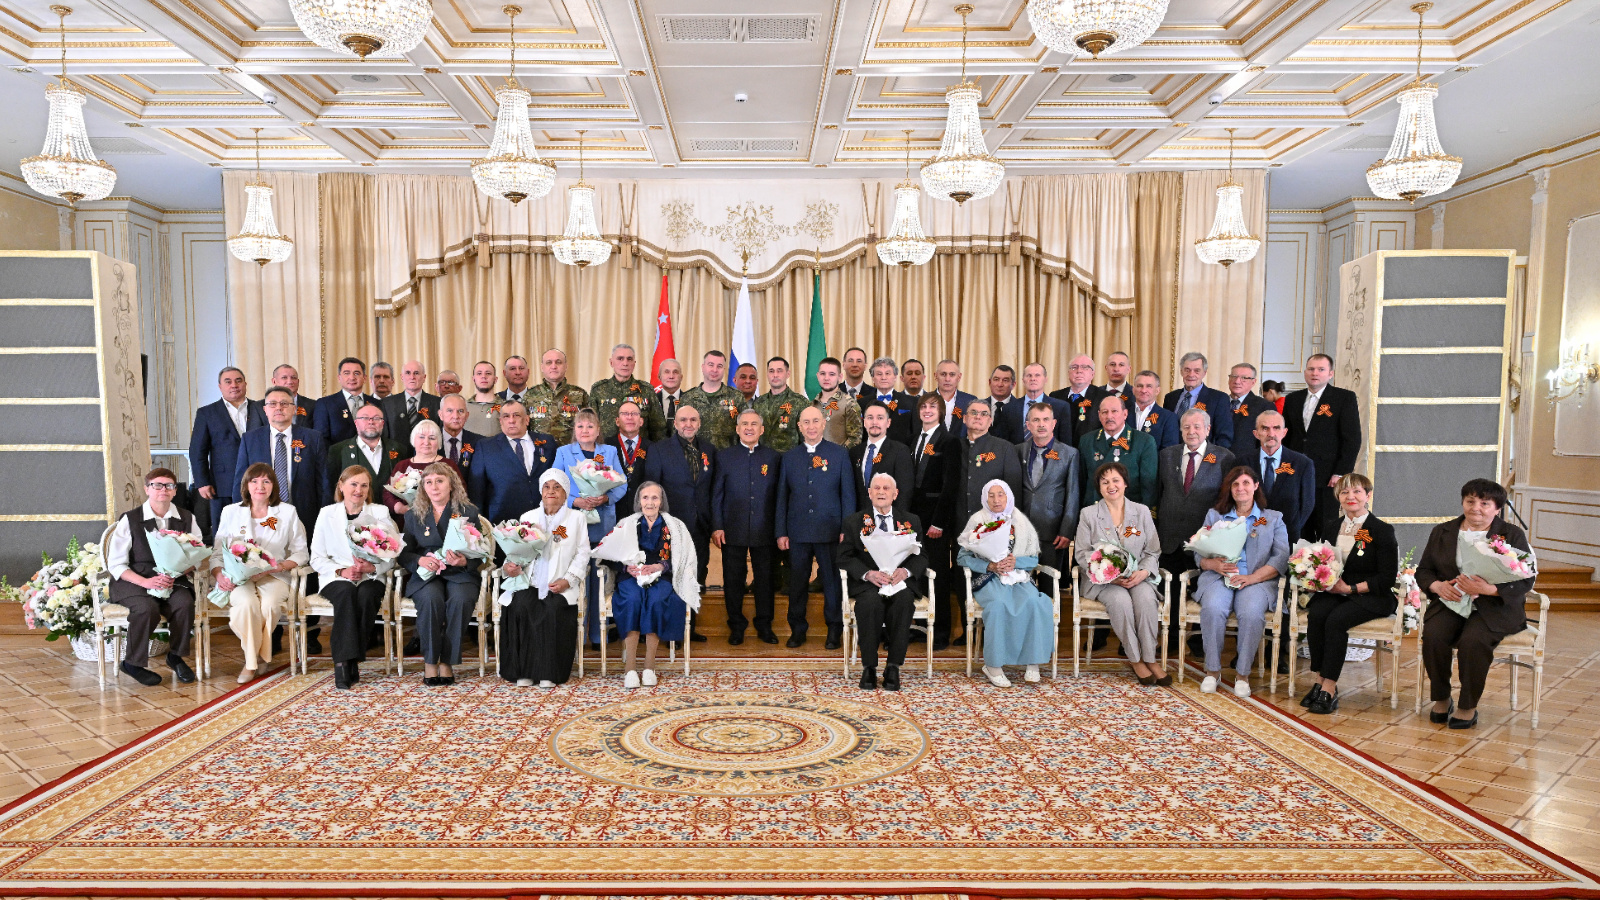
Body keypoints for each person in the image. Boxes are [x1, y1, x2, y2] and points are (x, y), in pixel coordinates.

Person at [1418, 478, 1536, 730]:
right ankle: (1441, 698)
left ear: (1497, 509)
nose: (1476, 508)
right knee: (1434, 635)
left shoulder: (1511, 534)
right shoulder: (1442, 531)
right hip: (1453, 600)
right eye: (1470, 501)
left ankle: (1467, 706)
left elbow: (1526, 578)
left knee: (1473, 641)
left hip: (1495, 606)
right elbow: (1424, 570)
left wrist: (1490, 589)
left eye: (1485, 503)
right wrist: (1437, 586)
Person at [1301, 473, 1398, 715]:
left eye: (1357, 491)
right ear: (1338, 497)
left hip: (1371, 595)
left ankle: (1330, 688)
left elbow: (1386, 578)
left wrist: (1350, 589)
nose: (1350, 496)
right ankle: (1319, 680)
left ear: (1368, 495)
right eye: (1344, 492)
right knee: (1317, 615)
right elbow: (1324, 561)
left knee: (1336, 620)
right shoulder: (1332, 526)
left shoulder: (1381, 530)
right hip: (1336, 592)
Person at [1191, 467, 1289, 697]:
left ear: (1256, 486)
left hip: (1256, 580)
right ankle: (1212, 672)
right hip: (1219, 577)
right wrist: (1213, 564)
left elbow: (1281, 557)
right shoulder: (1215, 516)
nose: (1240, 488)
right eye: (1235, 484)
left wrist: (1252, 578)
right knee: (1213, 608)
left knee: (1251, 613)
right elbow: (1198, 553)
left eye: (1246, 483)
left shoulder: (1272, 518)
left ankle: (1242, 675)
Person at [105, 468, 203, 686]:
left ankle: (175, 657)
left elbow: (196, 556)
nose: (163, 490)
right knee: (146, 608)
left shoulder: (187, 518)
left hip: (173, 579)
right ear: (147, 489)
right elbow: (116, 564)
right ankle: (132, 663)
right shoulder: (130, 519)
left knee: (184, 603)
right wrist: (146, 582)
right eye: (157, 485)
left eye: (169, 486)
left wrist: (177, 572)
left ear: (175, 491)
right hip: (135, 580)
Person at [211, 463, 307, 684]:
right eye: (254, 481)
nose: (260, 486)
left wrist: (280, 566)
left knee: (269, 606)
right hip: (238, 577)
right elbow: (217, 553)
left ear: (274, 486)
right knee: (246, 605)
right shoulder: (231, 512)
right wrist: (219, 575)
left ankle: (251, 661)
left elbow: (301, 552)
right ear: (246, 485)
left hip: (274, 574)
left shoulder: (287, 512)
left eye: (266, 481)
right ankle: (255, 659)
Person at [1075, 462, 1169, 685]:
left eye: (1116, 480)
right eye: (1105, 482)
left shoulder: (1142, 511)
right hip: (1103, 582)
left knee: (1145, 599)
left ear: (1125, 483)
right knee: (1121, 601)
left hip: (1138, 577)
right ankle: (1135, 659)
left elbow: (1153, 550)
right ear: (1099, 487)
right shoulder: (1089, 514)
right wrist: (1108, 575)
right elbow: (1081, 553)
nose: (1111, 486)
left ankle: (1150, 658)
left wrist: (1144, 572)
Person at [958, 480, 1057, 688]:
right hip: (989, 578)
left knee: (1035, 602)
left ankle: (1032, 661)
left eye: (1000, 494)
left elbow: (1033, 558)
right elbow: (962, 557)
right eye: (991, 495)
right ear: (985, 498)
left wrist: (1016, 562)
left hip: (1018, 577)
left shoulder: (1020, 521)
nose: (996, 500)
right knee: (999, 604)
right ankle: (993, 666)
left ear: (1008, 496)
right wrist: (990, 566)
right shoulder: (977, 520)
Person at [498, 469, 590, 688]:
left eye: (557, 487)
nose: (551, 491)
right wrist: (510, 567)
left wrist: (568, 580)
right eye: (547, 487)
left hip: (559, 583)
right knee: (520, 606)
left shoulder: (576, 518)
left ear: (566, 493)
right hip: (528, 581)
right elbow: (516, 550)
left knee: (552, 609)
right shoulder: (527, 518)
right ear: (541, 491)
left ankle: (549, 672)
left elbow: (583, 553)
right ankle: (523, 672)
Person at [604, 481, 701, 688]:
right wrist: (627, 567)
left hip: (662, 577)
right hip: (631, 577)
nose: (650, 502)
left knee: (657, 600)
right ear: (639, 501)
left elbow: (684, 558)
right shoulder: (626, 524)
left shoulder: (675, 526)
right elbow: (610, 555)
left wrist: (660, 566)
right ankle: (630, 668)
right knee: (632, 599)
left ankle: (649, 666)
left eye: (655, 498)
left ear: (661, 501)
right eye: (645, 498)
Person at [311, 466, 397, 690]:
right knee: (347, 592)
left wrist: (371, 567)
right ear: (341, 486)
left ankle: (347, 659)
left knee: (367, 595)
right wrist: (342, 571)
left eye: (364, 485)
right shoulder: (327, 513)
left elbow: (392, 555)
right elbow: (316, 558)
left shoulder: (380, 512)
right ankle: (344, 662)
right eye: (353, 484)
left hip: (371, 576)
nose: (358, 490)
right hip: (336, 576)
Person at [841, 473, 929, 690]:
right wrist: (867, 574)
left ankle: (893, 667)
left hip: (899, 583)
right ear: (869, 493)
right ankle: (869, 667)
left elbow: (922, 556)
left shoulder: (911, 520)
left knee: (903, 602)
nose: (881, 492)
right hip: (869, 583)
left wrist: (906, 572)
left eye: (886, 488)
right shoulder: (854, 521)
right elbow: (844, 557)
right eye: (877, 488)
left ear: (895, 494)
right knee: (870, 604)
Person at [776, 406, 855, 648]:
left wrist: (846, 529)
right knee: (797, 583)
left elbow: (847, 495)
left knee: (831, 583)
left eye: (815, 421)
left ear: (823, 424)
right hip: (797, 531)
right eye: (806, 422)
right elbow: (782, 497)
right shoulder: (789, 457)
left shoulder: (839, 454)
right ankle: (797, 629)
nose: (811, 426)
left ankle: (834, 630)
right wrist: (781, 531)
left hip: (830, 530)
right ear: (799, 426)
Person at [399, 463, 483, 687]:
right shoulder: (413, 515)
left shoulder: (468, 511)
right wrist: (419, 560)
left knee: (461, 599)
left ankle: (447, 661)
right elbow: (404, 553)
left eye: (439, 481)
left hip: (459, 573)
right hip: (427, 574)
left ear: (451, 484)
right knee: (430, 600)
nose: (434, 487)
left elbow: (480, 552)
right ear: (423, 487)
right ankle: (430, 661)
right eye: (428, 482)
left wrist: (465, 561)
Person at [640, 405, 715, 643]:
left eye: (693, 420)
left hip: (700, 525)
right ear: (675, 423)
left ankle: (689, 628)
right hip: (670, 526)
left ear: (699, 423)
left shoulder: (709, 450)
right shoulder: (659, 450)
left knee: (696, 574)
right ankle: (669, 631)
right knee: (670, 576)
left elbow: (712, 489)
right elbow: (652, 490)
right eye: (683, 420)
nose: (688, 424)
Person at [553, 409, 627, 646]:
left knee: (598, 580)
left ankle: (596, 634)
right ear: (574, 430)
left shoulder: (610, 451)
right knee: (574, 577)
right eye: (580, 426)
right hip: (572, 523)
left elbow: (622, 484)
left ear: (598, 431)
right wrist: (575, 501)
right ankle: (574, 634)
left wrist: (605, 498)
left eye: (590, 427)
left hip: (602, 524)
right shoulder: (563, 452)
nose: (585, 431)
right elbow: (553, 485)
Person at [713, 410, 782, 645]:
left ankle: (765, 625)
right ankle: (736, 626)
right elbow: (717, 495)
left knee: (765, 580)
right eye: (744, 424)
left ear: (762, 430)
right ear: (737, 429)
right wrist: (717, 526)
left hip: (765, 529)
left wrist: (779, 529)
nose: (749, 428)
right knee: (733, 580)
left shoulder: (773, 457)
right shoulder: (724, 457)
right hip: (732, 528)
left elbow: (779, 496)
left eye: (754, 424)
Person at [1283, 354, 1361, 541]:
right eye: (1311, 369)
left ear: (1330, 374)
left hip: (1328, 476)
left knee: (1326, 526)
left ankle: (1325, 560)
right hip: (1296, 473)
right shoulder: (1293, 398)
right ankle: (1300, 559)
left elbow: (1352, 439)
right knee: (1298, 526)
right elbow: (1286, 436)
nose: (1315, 373)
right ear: (1305, 372)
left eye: (1321, 369)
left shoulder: (1343, 398)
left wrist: (1341, 472)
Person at [236, 386, 326, 541]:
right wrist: (241, 514)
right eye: (273, 404)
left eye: (284, 403)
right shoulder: (250, 439)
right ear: (265, 409)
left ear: (294, 409)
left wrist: (324, 516)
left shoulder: (313, 438)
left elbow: (323, 482)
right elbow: (241, 481)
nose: (278, 408)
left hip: (304, 514)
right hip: (260, 515)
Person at [1155, 409, 1235, 579]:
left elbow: (1227, 501)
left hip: (1204, 543)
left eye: (1197, 427)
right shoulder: (1166, 455)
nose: (1191, 431)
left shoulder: (1224, 458)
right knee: (1169, 591)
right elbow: (1159, 493)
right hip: (1169, 541)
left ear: (1207, 429)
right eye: (1186, 427)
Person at [188, 366, 265, 540]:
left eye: (238, 381)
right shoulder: (207, 413)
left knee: (257, 528)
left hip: (258, 480)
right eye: (228, 382)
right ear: (220, 386)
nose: (234, 385)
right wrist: (202, 482)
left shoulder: (260, 408)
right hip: (222, 483)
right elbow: (197, 450)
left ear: (245, 384)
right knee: (224, 531)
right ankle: (223, 558)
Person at [908, 392, 957, 649]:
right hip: (914, 521)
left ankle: (940, 632)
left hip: (935, 522)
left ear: (941, 413)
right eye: (924, 406)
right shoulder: (915, 438)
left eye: (933, 407)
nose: (927, 410)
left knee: (937, 576)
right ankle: (920, 627)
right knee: (917, 572)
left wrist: (939, 522)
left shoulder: (949, 441)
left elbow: (950, 486)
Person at [1014, 401, 1080, 572]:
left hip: (1053, 531)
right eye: (1036, 420)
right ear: (1028, 425)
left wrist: (1067, 530)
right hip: (1022, 530)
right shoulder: (1017, 451)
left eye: (1046, 419)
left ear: (1054, 423)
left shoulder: (1069, 454)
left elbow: (1072, 495)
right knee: (1022, 580)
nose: (1041, 424)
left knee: (1050, 582)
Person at [466, 401, 554, 525]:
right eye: (506, 416)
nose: (511, 420)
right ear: (501, 421)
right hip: (502, 523)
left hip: (544, 519)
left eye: (516, 415)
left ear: (527, 420)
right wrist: (480, 523)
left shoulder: (547, 442)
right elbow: (476, 490)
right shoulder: (485, 447)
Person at [1240, 410, 1315, 543]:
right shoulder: (1242, 462)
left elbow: (1307, 504)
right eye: (1265, 428)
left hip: (1288, 537)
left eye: (1276, 428)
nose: (1271, 434)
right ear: (1256, 433)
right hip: (1249, 535)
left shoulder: (1302, 464)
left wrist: (1292, 528)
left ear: (1284, 432)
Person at [1079, 394, 1157, 506]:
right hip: (1095, 510)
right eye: (1104, 412)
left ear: (1125, 414)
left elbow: (1149, 486)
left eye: (1114, 411)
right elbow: (1081, 482)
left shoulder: (1144, 441)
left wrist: (1146, 514)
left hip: (1128, 510)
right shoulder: (1087, 441)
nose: (1109, 416)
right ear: (1099, 415)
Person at [325, 403, 403, 503]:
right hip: (355, 511)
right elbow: (331, 489)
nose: (371, 422)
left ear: (383, 423)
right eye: (365, 418)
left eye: (376, 418)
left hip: (391, 511)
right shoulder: (338, 450)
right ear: (356, 423)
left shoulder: (399, 449)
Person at [590, 343, 667, 443]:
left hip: (640, 450)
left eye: (629, 359)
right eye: (620, 359)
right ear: (611, 362)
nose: (625, 363)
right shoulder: (598, 390)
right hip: (607, 449)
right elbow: (591, 425)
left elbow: (658, 428)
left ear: (634, 363)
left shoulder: (646, 390)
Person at [383, 419, 457, 518]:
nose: (426, 442)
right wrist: (400, 508)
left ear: (439, 442)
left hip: (441, 519)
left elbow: (459, 492)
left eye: (432, 438)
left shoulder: (448, 465)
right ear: (413, 440)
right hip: (407, 519)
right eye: (421, 437)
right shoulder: (402, 465)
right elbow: (387, 493)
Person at [1162, 352, 1235, 451]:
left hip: (1204, 456)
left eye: (1197, 371)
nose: (1191, 374)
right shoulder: (1170, 398)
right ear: (1181, 371)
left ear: (1204, 373)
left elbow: (1224, 436)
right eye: (1187, 370)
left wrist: (1212, 457)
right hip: (1173, 454)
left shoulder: (1219, 398)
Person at [850, 405, 913, 515]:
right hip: (859, 518)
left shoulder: (900, 451)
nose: (874, 422)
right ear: (864, 422)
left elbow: (905, 492)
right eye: (870, 418)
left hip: (889, 518)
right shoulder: (854, 452)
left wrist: (898, 520)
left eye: (880, 418)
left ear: (888, 423)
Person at [682, 350, 745, 450]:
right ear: (703, 367)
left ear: (724, 370)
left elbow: (745, 429)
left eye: (719, 366)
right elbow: (678, 431)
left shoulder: (736, 397)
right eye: (711, 365)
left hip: (726, 455)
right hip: (694, 455)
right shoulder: (687, 398)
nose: (715, 370)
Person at [526, 348, 590, 446]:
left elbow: (589, 427)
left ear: (566, 366)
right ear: (542, 367)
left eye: (558, 362)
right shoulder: (530, 395)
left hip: (571, 452)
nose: (553, 366)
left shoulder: (580, 394)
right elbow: (523, 429)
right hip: (540, 452)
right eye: (549, 362)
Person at [999, 363, 1072, 446]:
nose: (1033, 379)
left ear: (1045, 379)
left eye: (1037, 375)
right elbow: (1004, 442)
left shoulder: (1061, 407)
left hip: (1052, 453)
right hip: (1017, 453)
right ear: (1023, 380)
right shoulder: (1008, 408)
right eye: (1029, 375)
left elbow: (1065, 443)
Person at [312, 357, 376, 447]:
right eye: (346, 373)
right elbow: (320, 439)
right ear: (339, 378)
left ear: (364, 378)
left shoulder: (377, 403)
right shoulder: (325, 404)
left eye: (356, 373)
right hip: (338, 455)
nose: (352, 377)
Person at [381, 360, 441, 447]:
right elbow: (384, 437)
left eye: (416, 373)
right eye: (408, 373)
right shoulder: (387, 404)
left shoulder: (437, 403)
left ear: (424, 377)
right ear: (402, 377)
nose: (412, 377)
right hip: (397, 454)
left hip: (427, 453)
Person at [856, 357, 915, 445]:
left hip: (901, 451)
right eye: (879, 374)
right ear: (873, 378)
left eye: (887, 373)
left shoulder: (910, 402)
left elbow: (915, 433)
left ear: (895, 377)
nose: (883, 377)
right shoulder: (861, 403)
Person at [1048, 355, 1106, 444]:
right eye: (1074, 367)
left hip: (1090, 449)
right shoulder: (1055, 396)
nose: (1079, 371)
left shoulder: (1104, 397)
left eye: (1085, 367)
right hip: (1059, 450)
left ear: (1092, 374)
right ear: (1068, 373)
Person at [753, 356, 805, 452]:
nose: (775, 375)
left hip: (789, 458)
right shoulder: (758, 403)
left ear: (788, 374)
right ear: (767, 374)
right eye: (771, 371)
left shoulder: (800, 402)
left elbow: (806, 438)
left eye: (779, 371)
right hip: (762, 458)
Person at [609, 399, 651, 517]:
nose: (630, 417)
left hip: (642, 511)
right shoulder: (606, 446)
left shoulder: (652, 448)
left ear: (641, 421)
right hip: (614, 509)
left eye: (634, 414)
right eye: (625, 414)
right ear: (617, 421)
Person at [811, 357, 864, 448]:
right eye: (823, 374)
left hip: (838, 456)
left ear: (840, 377)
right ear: (818, 376)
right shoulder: (812, 405)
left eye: (832, 374)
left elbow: (855, 439)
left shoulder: (849, 404)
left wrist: (838, 454)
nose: (826, 378)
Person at [1224, 362, 1274, 459]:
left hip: (1247, 462)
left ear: (1253, 382)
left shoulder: (1264, 406)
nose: (1237, 381)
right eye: (1234, 376)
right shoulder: (1219, 402)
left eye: (1244, 378)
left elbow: (1267, 440)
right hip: (1216, 461)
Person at [1129, 370, 1179, 451]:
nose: (1143, 390)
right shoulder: (1123, 414)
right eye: (1139, 386)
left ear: (1157, 390)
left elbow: (1169, 452)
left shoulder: (1168, 418)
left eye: (1149, 386)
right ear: (1133, 389)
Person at [437, 394, 483, 476]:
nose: (455, 416)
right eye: (450, 411)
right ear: (440, 415)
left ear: (467, 416)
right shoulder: (429, 442)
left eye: (460, 411)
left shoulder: (479, 442)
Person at [932, 359, 976, 436]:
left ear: (959, 377)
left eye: (952, 375)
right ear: (936, 376)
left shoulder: (970, 401)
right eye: (943, 374)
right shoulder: (924, 401)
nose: (947, 379)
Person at [465, 360, 504, 436]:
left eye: (488, 373)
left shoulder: (505, 407)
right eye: (479, 373)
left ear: (495, 379)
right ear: (473, 379)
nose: (483, 376)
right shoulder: (463, 407)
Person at [270, 363, 314, 428]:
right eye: (284, 378)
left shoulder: (312, 405)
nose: (290, 382)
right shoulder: (259, 407)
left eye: (293, 378)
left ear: (298, 381)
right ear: (274, 381)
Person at [984, 365, 1019, 441]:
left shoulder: (1021, 408)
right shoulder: (980, 406)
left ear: (1013, 385)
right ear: (990, 382)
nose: (1000, 384)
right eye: (996, 379)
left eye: (1005, 380)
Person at [654, 358, 686, 423]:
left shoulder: (690, 400)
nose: (671, 376)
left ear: (681, 377)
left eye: (675, 372)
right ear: (659, 377)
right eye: (667, 372)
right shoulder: (652, 401)